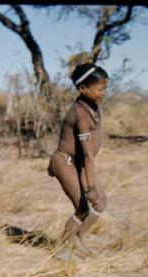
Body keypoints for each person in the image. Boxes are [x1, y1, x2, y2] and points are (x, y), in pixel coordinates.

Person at [47, 63, 109, 261]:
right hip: (65, 162)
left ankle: (78, 238)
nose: (103, 93)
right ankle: (63, 250)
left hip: (79, 164)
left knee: (101, 203)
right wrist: (90, 186)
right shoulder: (80, 114)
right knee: (83, 207)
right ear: (83, 89)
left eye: (105, 88)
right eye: (99, 89)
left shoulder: (92, 107)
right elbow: (89, 155)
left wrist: (92, 188)